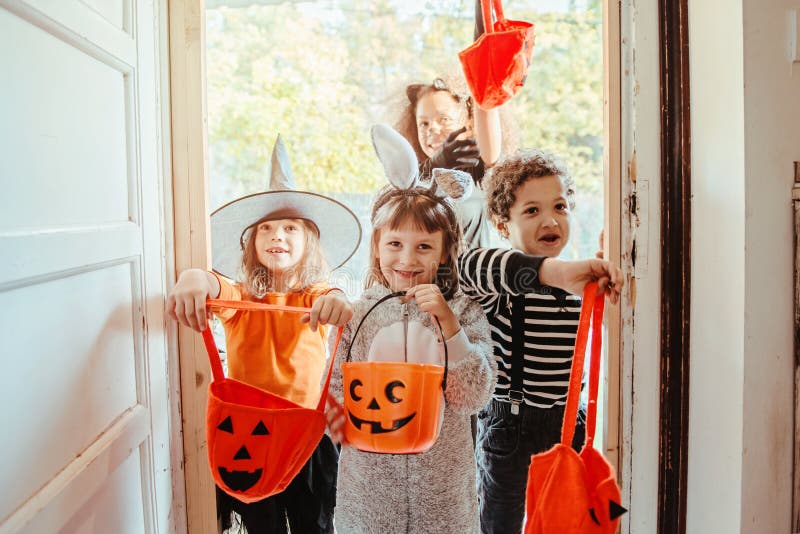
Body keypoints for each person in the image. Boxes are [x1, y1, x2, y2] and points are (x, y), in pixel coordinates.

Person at [167, 135, 361, 534]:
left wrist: (338, 300)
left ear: (308, 240)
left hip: (307, 434)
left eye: (290, 227)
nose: (278, 236)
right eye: (266, 229)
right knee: (261, 525)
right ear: (251, 243)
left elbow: (335, 298)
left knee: (315, 524)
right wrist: (193, 277)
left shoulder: (315, 296)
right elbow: (216, 285)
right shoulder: (242, 302)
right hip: (250, 437)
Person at [324, 125, 497, 533]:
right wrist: (333, 418)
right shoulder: (358, 315)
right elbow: (334, 393)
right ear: (377, 246)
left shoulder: (464, 310)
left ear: (444, 251)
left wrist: (450, 328)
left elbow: (473, 398)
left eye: (424, 246)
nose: (407, 258)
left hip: (443, 496)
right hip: (368, 496)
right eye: (395, 244)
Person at [457, 148, 624, 534]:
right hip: (510, 427)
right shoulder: (504, 280)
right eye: (531, 210)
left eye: (560, 207)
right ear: (502, 225)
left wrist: (603, 270)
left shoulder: (580, 283)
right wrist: (556, 272)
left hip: (569, 423)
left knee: (566, 519)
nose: (550, 219)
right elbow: (468, 268)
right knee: (502, 524)